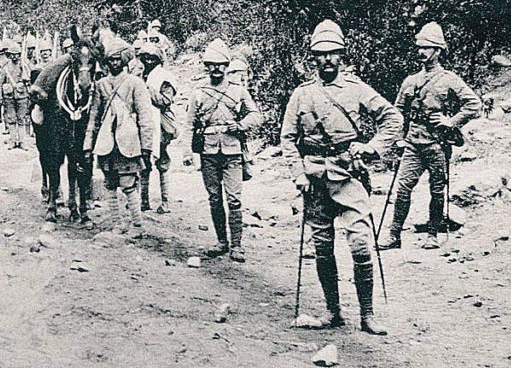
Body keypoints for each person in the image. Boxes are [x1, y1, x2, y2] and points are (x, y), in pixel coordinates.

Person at [280, 19, 402, 335]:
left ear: (342, 55)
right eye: (321, 54)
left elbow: (392, 119)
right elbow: (287, 138)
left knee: (361, 244)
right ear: (313, 58)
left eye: (334, 53)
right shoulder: (301, 95)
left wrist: (372, 147)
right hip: (315, 182)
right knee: (322, 248)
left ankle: (368, 315)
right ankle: (333, 312)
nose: (328, 60)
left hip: (350, 177)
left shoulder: (356, 89)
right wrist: (298, 175)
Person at [379, 22, 481, 250]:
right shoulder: (411, 81)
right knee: (402, 188)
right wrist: (397, 137)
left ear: (438, 50)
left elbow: (474, 105)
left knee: (437, 190)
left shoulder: (449, 79)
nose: (421, 52)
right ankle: (394, 235)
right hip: (413, 143)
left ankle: (433, 234)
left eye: (427, 47)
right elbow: (397, 113)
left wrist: (451, 121)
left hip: (437, 143)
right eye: (420, 47)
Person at [188, 39, 263, 262]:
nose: (217, 68)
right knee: (214, 198)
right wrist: (187, 152)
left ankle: (237, 246)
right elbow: (189, 124)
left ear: (227, 65)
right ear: (206, 65)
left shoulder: (238, 91)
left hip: (232, 151)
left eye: (221, 64)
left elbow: (256, 115)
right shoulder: (198, 92)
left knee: (234, 199)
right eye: (212, 64)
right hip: (208, 152)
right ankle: (222, 241)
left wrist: (240, 125)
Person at [84, 37, 154, 237]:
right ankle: (117, 223)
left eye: (117, 59)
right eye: (110, 60)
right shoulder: (101, 85)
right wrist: (88, 145)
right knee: (109, 184)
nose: (114, 63)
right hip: (106, 142)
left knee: (128, 184)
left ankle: (137, 225)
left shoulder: (135, 83)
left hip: (129, 141)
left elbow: (145, 117)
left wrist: (147, 146)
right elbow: (94, 117)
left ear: (124, 61)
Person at [138, 42, 181, 214]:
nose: (148, 60)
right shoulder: (140, 75)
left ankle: (165, 201)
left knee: (162, 161)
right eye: (145, 57)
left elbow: (165, 100)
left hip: (160, 123)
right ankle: (143, 200)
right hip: (143, 122)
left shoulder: (164, 77)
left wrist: (147, 90)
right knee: (143, 160)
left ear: (158, 59)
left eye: (152, 57)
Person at [0, 40, 30, 149]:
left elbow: (29, 80)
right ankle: (12, 140)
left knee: (21, 119)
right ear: (9, 55)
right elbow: (0, 83)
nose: (15, 57)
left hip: (22, 96)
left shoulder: (24, 66)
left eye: (17, 54)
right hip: (9, 97)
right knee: (11, 119)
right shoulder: (5, 67)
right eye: (13, 54)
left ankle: (22, 141)